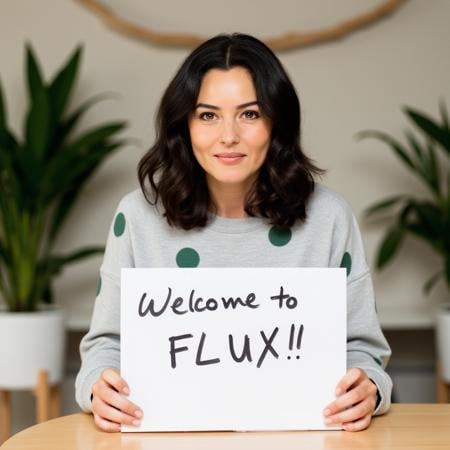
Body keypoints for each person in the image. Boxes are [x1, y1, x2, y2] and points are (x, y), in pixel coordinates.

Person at [75, 32, 392, 432]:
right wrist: (97, 390)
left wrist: (369, 390)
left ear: (277, 122)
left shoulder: (328, 216)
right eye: (208, 115)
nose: (228, 136)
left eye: (250, 114)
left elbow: (364, 353)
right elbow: (104, 349)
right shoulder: (138, 217)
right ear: (184, 125)